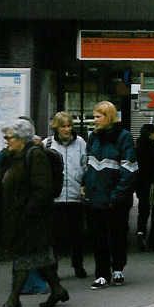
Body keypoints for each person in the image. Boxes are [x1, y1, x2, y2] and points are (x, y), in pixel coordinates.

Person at [0, 118, 69, 307]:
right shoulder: (12, 156)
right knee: (41, 257)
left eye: (9, 137)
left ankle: (14, 300)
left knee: (22, 258)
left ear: (21, 138)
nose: (6, 141)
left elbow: (42, 189)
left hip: (31, 219)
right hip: (16, 217)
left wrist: (27, 213)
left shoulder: (35, 155)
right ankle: (57, 290)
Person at [83, 101, 137, 289]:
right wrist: (87, 188)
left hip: (116, 200)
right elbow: (88, 165)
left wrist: (116, 195)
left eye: (98, 116)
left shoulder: (124, 137)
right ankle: (102, 274)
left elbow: (129, 168)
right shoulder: (93, 137)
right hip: (96, 197)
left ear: (109, 118)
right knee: (98, 238)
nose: (94, 120)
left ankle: (118, 269)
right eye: (94, 116)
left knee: (117, 235)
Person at [46, 112, 88, 278]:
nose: (67, 129)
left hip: (75, 195)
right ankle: (53, 268)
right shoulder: (47, 144)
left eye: (69, 126)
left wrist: (83, 184)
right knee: (54, 236)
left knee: (77, 235)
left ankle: (78, 265)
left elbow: (85, 165)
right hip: (55, 197)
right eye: (63, 126)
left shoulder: (80, 143)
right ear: (56, 127)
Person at [134, 123, 154, 251]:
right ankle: (153, 240)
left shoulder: (136, 149)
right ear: (151, 134)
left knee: (143, 211)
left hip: (141, 184)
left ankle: (141, 232)